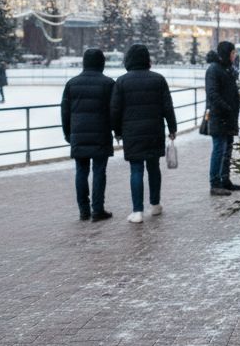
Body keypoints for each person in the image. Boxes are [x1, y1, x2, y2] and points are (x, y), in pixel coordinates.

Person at [111, 43, 177, 224]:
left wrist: (117, 131)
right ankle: (155, 205)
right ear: (147, 59)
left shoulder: (122, 81)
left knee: (136, 170)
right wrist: (172, 128)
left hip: (132, 133)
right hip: (154, 130)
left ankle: (137, 211)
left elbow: (115, 110)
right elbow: (167, 107)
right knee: (154, 168)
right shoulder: (158, 79)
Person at [60, 48, 116, 222]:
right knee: (99, 171)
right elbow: (114, 111)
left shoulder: (72, 83)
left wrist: (68, 133)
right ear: (102, 63)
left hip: (78, 134)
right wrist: (116, 130)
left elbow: (65, 112)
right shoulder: (108, 83)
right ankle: (98, 210)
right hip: (101, 134)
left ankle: (84, 210)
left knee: (81, 172)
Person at [205, 41, 240, 196]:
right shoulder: (214, 70)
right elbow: (212, 94)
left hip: (229, 116)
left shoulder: (228, 69)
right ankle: (215, 183)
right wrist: (227, 107)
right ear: (226, 53)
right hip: (219, 116)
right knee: (219, 150)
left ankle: (225, 180)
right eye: (232, 53)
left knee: (227, 150)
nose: (234, 56)